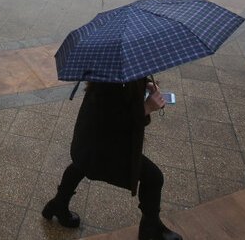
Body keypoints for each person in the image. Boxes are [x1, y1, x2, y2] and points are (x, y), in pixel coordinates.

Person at [43, 78, 182, 240]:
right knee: (153, 177)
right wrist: (146, 108)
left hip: (89, 141)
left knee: (80, 165)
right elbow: (112, 122)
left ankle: (58, 204)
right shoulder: (108, 84)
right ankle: (150, 229)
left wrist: (144, 85)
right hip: (102, 148)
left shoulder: (109, 72)